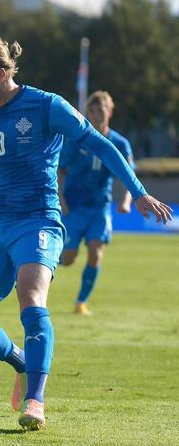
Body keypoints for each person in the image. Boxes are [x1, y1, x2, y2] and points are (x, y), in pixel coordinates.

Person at [0, 33, 172, 431]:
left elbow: (102, 146)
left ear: (0, 74)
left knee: (31, 297)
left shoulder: (47, 106)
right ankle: (20, 361)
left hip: (38, 221)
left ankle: (36, 399)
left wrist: (137, 192)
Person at [58, 91, 134, 316]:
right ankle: (37, 264)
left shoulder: (120, 143)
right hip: (73, 206)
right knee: (68, 259)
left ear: (109, 112)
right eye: (92, 110)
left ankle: (81, 302)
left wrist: (126, 201)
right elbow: (60, 170)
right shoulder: (76, 140)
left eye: (100, 110)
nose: (96, 115)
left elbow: (128, 175)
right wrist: (60, 198)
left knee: (96, 253)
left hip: (100, 206)